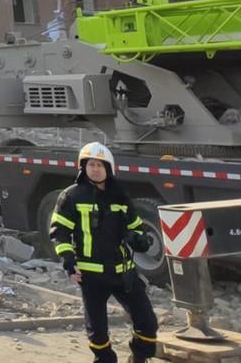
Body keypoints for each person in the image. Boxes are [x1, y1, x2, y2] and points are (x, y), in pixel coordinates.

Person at [50, 142, 158, 363]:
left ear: (108, 168)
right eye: (90, 164)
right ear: (83, 168)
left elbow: (136, 226)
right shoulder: (71, 196)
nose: (95, 169)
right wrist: (69, 262)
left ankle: (139, 358)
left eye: (100, 164)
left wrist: (139, 240)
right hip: (91, 276)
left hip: (123, 273)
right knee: (98, 334)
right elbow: (59, 232)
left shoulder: (120, 196)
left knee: (148, 323)